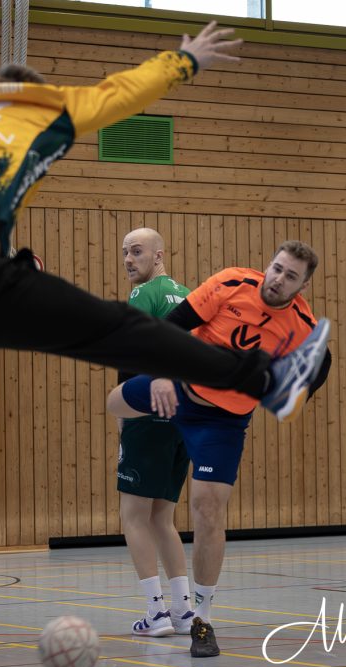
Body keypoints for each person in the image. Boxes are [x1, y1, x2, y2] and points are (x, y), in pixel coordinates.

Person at [0, 22, 331, 469]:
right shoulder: (41, 112)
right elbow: (120, 93)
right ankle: (268, 383)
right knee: (118, 328)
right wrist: (186, 60)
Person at [107, 240, 333, 657]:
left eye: (290, 276)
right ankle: (171, 609)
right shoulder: (232, 283)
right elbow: (172, 326)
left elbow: (321, 366)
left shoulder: (302, 325)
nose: (278, 279)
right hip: (180, 387)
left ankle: (202, 620)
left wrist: (288, 394)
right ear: (269, 264)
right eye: (277, 268)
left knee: (207, 511)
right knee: (113, 402)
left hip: (222, 423)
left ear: (303, 286)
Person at [116, 227, 195, 638]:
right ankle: (183, 611)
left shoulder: (142, 294)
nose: (129, 260)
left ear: (159, 255)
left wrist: (124, 409)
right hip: (184, 418)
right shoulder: (188, 296)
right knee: (163, 517)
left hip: (148, 413)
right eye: (125, 253)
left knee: (133, 517)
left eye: (137, 251)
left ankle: (156, 613)